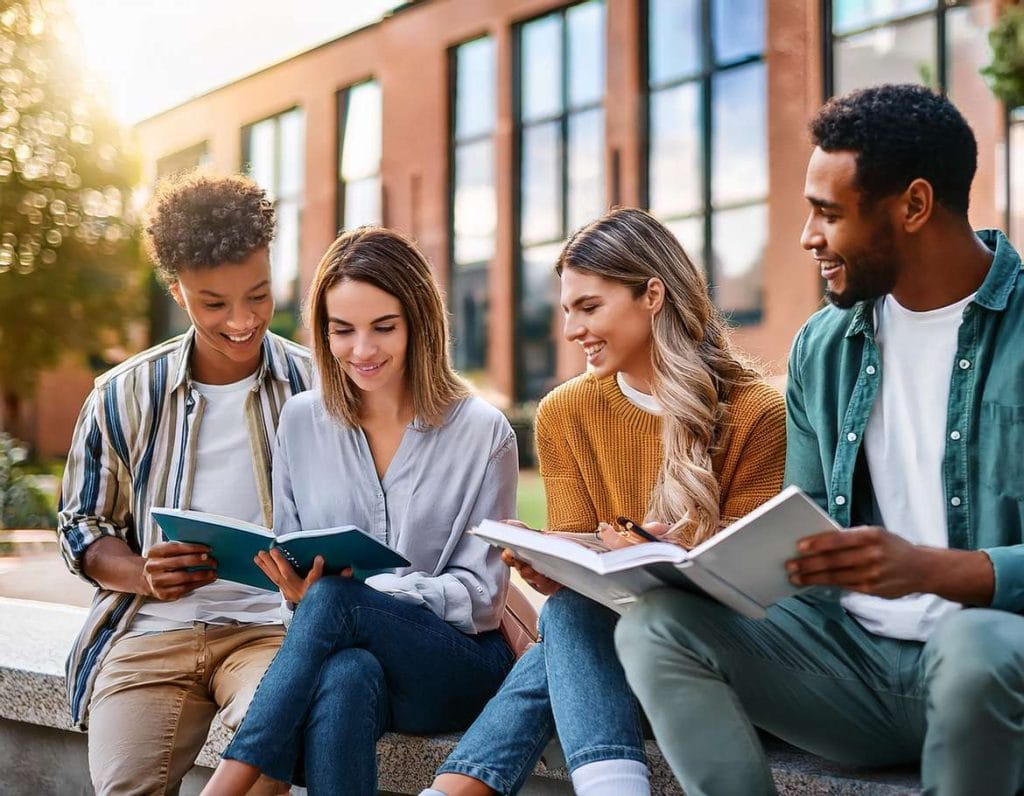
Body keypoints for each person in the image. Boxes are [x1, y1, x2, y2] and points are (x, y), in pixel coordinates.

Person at [615, 83, 1024, 796]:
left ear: (915, 206)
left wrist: (933, 570)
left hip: (994, 670)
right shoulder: (824, 346)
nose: (808, 237)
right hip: (853, 671)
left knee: (973, 641)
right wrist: (697, 564)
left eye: (828, 214)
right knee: (656, 626)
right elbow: (801, 540)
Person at [423, 207, 787, 796]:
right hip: (604, 668)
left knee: (570, 628)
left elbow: (759, 589)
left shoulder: (756, 414)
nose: (571, 330)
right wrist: (547, 561)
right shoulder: (565, 414)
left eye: (589, 307)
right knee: (569, 614)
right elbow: (579, 591)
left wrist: (665, 548)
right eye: (567, 309)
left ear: (652, 295)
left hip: (716, 673)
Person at [200, 226, 518, 795]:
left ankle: (224, 785)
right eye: (342, 331)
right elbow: (295, 558)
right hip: (352, 662)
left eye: (384, 328)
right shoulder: (300, 421)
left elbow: (483, 599)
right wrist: (298, 588)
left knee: (336, 600)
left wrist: (367, 600)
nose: (362, 351)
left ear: (419, 322)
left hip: (456, 666)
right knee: (347, 671)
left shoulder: (482, 432)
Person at [57, 172, 312, 795]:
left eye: (257, 294)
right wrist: (142, 571)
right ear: (176, 290)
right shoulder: (121, 395)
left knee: (269, 752)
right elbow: (81, 526)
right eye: (214, 304)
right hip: (148, 632)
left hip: (270, 633)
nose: (243, 320)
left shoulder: (318, 388)